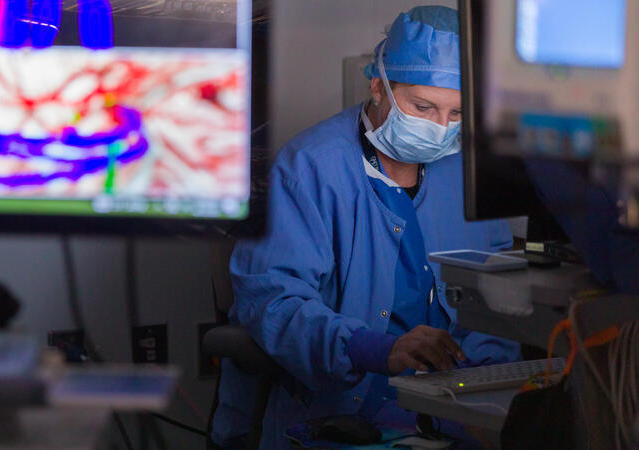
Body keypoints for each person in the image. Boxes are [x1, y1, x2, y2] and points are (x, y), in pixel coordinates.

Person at [211, 5, 521, 449]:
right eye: (423, 107)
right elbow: (274, 302)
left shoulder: (465, 172)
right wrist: (374, 349)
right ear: (378, 87)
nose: (439, 128)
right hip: (345, 411)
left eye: (455, 114)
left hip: (453, 410)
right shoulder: (311, 169)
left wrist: (489, 390)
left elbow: (493, 298)